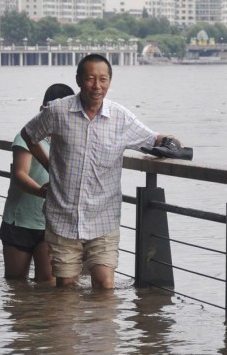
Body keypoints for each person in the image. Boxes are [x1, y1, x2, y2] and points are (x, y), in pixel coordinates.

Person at [21, 53, 177, 289]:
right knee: (66, 286)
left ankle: (101, 326)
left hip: (104, 216)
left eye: (103, 79)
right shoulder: (57, 112)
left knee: (105, 285)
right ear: (78, 80)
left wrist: (173, 142)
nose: (97, 86)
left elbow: (152, 138)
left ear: (110, 82)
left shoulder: (120, 117)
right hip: (63, 215)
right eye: (91, 79)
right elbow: (29, 135)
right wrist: (50, 167)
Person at [0, 83, 75, 282]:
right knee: (16, 283)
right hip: (20, 220)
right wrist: (43, 192)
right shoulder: (27, 137)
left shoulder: (71, 141)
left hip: (52, 223)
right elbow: (19, 175)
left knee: (47, 286)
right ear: (43, 110)